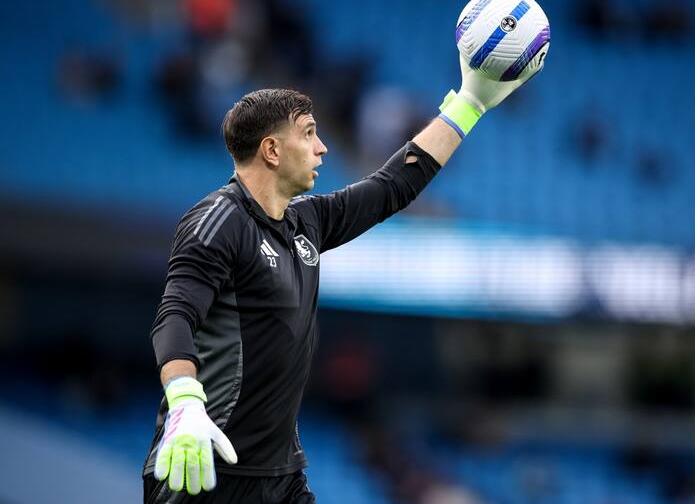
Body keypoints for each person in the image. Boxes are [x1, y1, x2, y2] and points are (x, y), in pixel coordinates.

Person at [141, 48, 548, 503]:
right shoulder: (220, 220)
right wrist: (184, 400)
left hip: (277, 477)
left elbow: (392, 186)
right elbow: (176, 315)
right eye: (309, 134)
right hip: (203, 465)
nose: (323, 147)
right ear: (272, 150)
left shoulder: (305, 223)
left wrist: (469, 103)